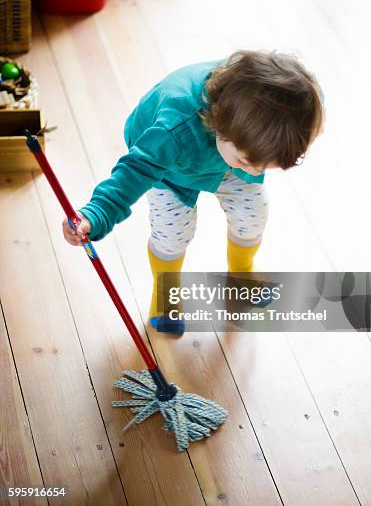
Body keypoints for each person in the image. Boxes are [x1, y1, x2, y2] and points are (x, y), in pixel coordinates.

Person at [62, 50, 325, 335]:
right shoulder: (173, 130)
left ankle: (242, 272)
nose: (255, 172)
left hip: (223, 162)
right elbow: (132, 174)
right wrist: (96, 214)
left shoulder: (259, 128)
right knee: (172, 232)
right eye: (250, 163)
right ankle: (166, 293)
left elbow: (253, 157)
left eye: (265, 166)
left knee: (254, 211)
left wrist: (244, 161)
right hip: (170, 166)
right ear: (221, 128)